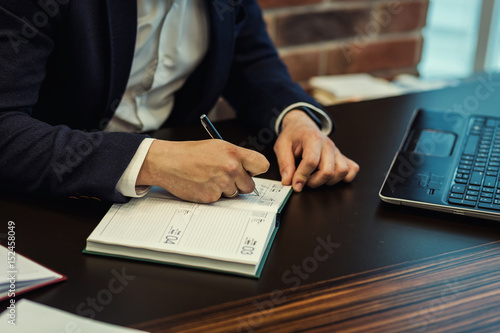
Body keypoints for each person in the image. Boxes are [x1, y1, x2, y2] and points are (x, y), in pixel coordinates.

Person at [0, 0, 359, 203]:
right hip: (46, 205)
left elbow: (250, 59)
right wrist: (151, 160)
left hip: (173, 202)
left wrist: (295, 117)